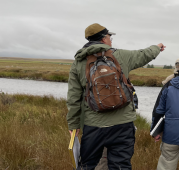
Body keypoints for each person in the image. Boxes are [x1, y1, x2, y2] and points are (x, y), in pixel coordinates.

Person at [66, 23, 165, 170]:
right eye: (109, 36)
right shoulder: (120, 56)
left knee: (87, 165)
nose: (111, 39)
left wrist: (73, 124)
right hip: (123, 125)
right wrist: (157, 47)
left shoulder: (79, 62)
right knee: (121, 165)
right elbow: (144, 55)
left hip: (94, 126)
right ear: (103, 39)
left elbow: (73, 98)